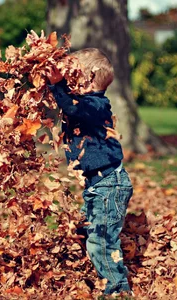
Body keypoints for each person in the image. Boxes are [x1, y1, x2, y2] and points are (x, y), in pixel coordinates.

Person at [47, 48, 134, 295]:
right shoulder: (85, 103)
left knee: (102, 241)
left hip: (109, 185)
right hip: (98, 185)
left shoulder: (96, 105)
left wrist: (57, 86)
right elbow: (67, 104)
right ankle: (93, 272)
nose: (67, 82)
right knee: (85, 229)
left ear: (88, 78)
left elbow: (72, 108)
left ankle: (117, 288)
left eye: (73, 76)